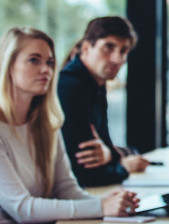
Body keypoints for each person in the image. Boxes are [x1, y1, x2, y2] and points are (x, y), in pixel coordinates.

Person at [0, 27, 138, 222]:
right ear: (8, 64)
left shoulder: (46, 124)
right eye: (33, 60)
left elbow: (66, 189)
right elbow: (22, 209)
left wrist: (111, 203)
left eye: (49, 62)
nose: (45, 70)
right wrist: (100, 206)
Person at [59, 16, 149, 187]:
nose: (117, 59)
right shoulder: (71, 86)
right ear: (86, 47)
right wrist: (124, 166)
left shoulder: (95, 84)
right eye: (108, 47)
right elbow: (85, 173)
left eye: (123, 51)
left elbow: (106, 147)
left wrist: (111, 154)